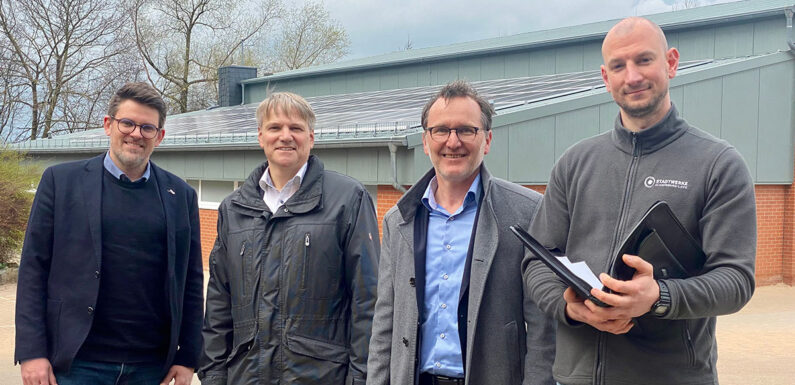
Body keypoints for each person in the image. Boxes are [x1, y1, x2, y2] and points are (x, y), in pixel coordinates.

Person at [523, 17, 757, 385]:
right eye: (619, 66)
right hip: (575, 377)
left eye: (644, 60)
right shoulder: (575, 163)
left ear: (672, 63)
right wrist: (570, 307)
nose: (632, 77)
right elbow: (537, 262)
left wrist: (660, 296)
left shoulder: (718, 164)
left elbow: (736, 280)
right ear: (606, 77)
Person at [15, 82, 204, 385]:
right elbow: (33, 269)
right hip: (76, 363)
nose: (136, 134)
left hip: (151, 367)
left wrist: (188, 355)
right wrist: (32, 351)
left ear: (160, 136)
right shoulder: (60, 182)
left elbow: (191, 281)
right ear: (108, 124)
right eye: (127, 123)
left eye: (147, 128)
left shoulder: (180, 195)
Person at [368, 80, 555, 385]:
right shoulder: (398, 220)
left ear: (488, 140)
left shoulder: (527, 212)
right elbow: (385, 321)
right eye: (441, 130)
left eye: (466, 130)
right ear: (426, 141)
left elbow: (543, 328)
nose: (452, 142)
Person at [198, 92, 380, 385]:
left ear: (311, 137)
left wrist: (362, 378)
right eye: (275, 128)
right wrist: (214, 375)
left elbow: (367, 300)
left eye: (295, 128)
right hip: (247, 376)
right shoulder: (233, 209)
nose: (285, 136)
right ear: (260, 136)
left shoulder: (348, 200)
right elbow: (219, 302)